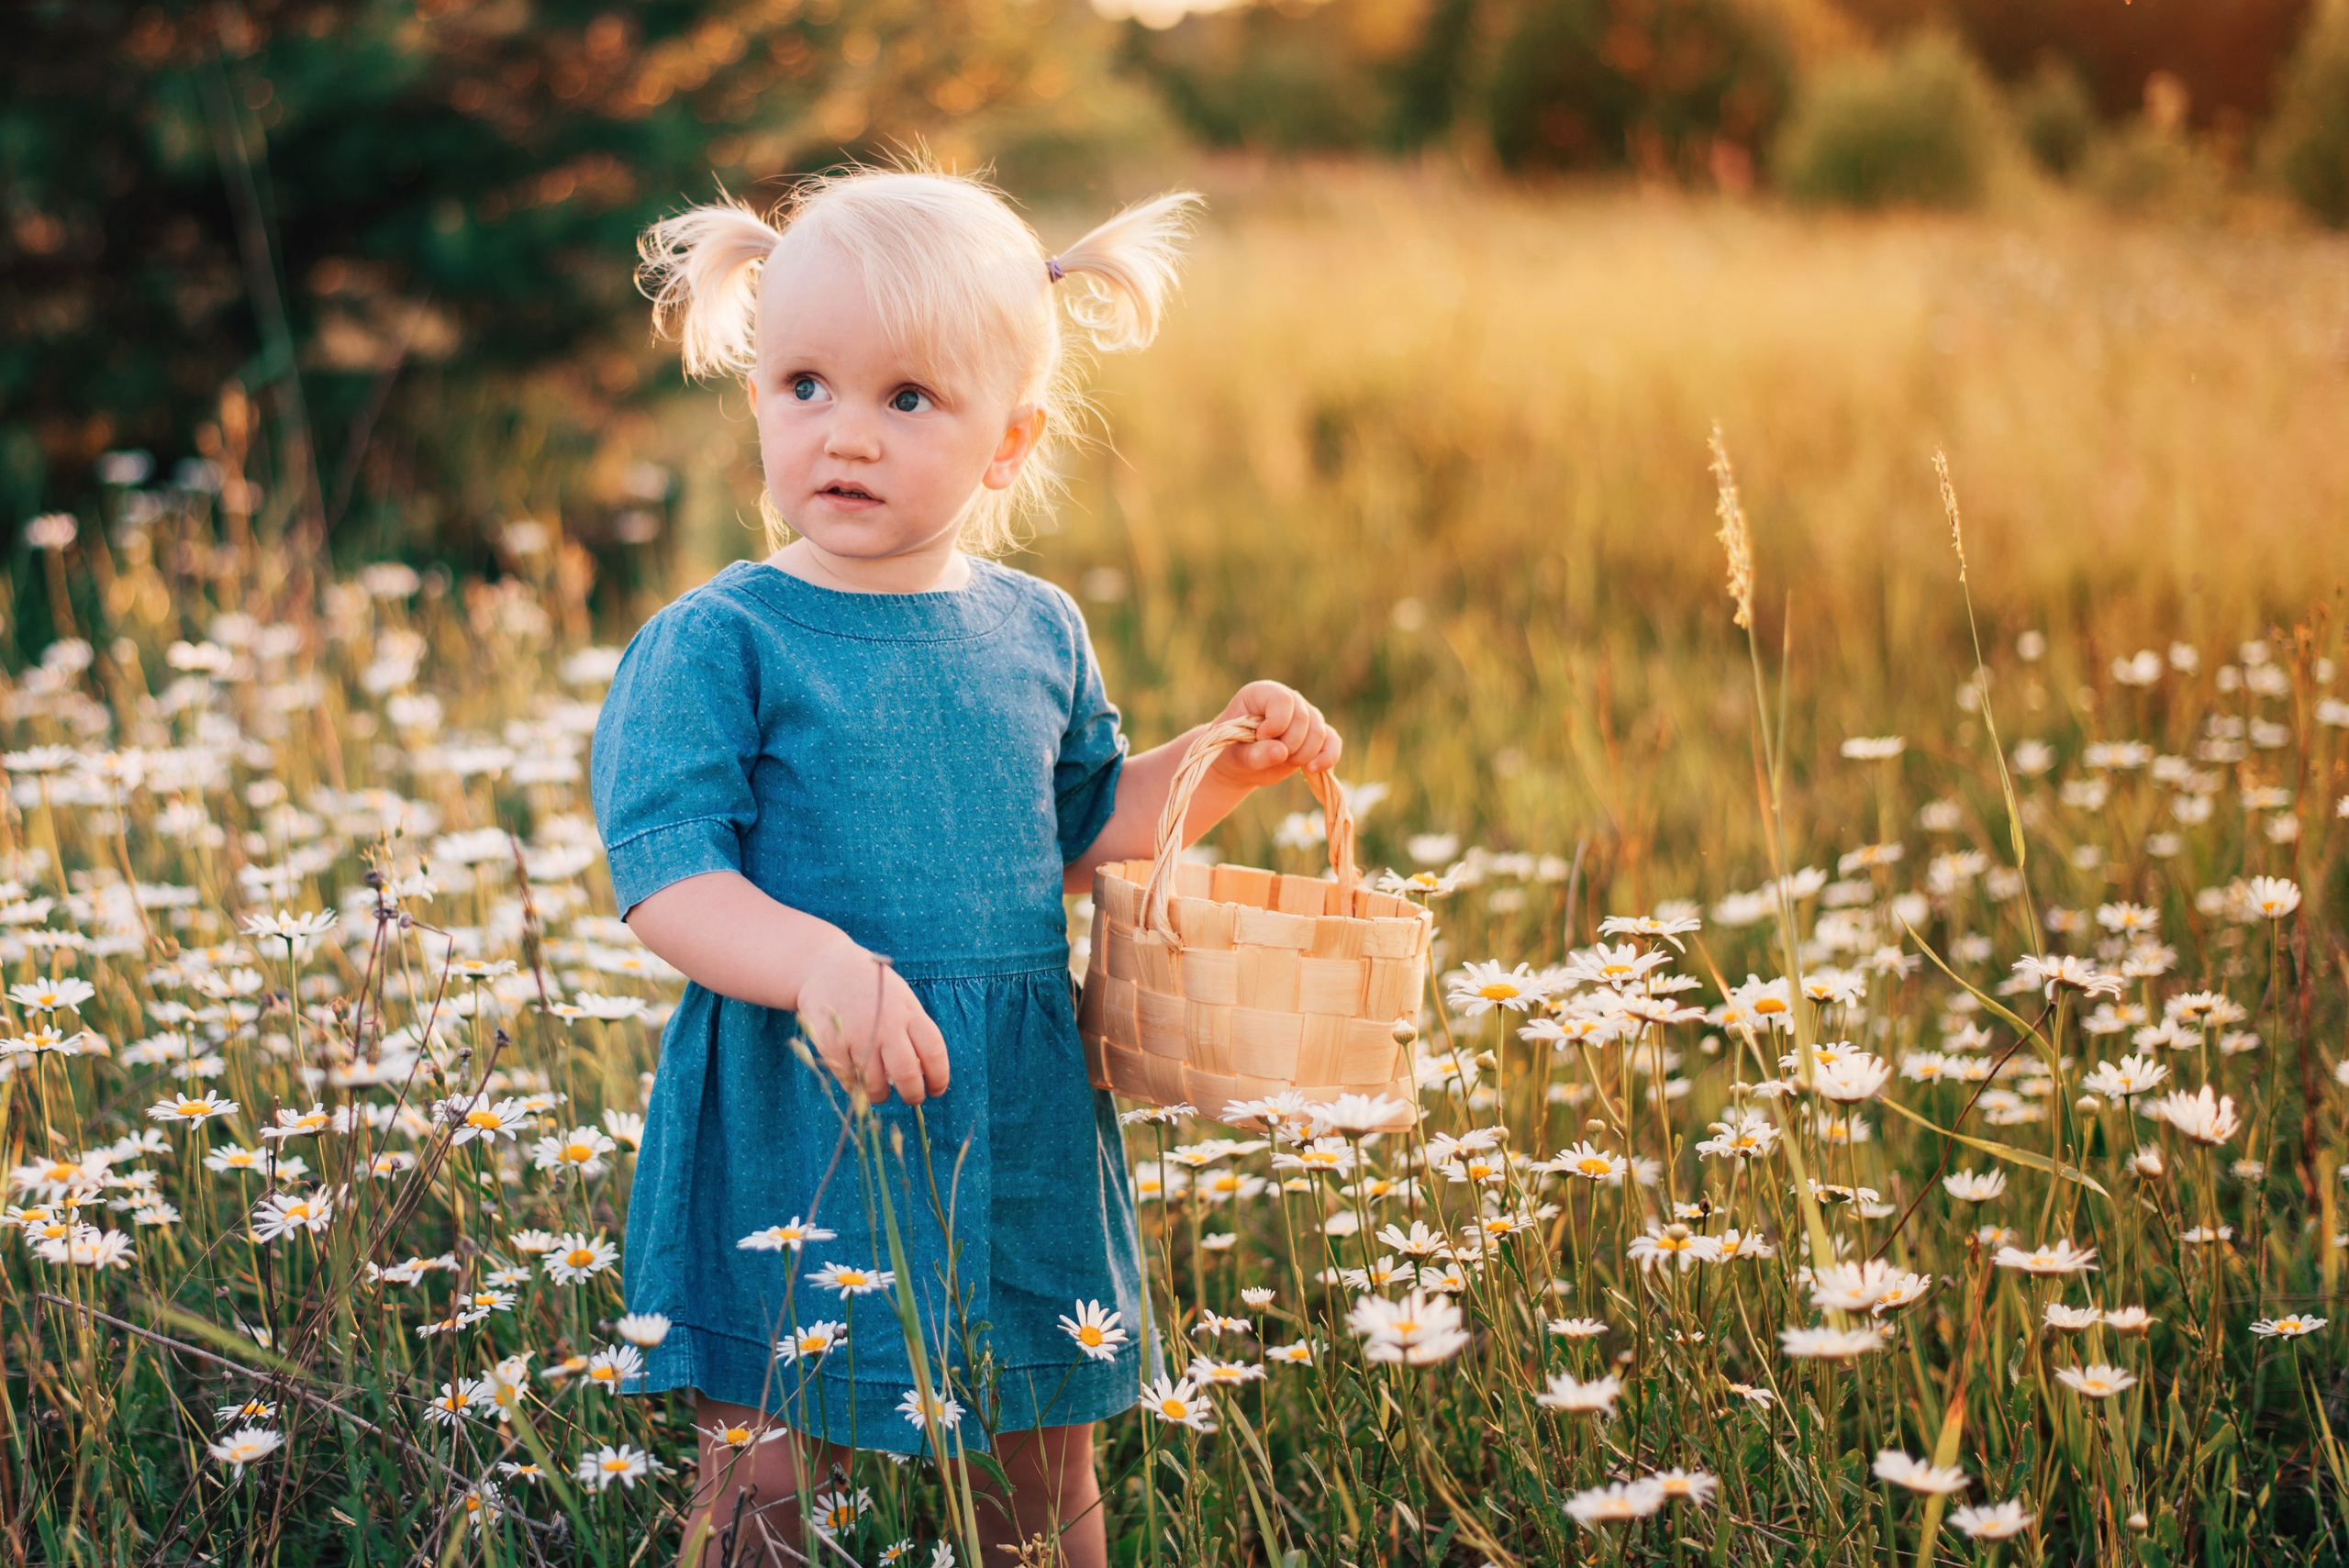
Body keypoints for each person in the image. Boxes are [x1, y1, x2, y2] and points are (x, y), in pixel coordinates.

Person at [591, 162, 1343, 1568]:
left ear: (1009, 441)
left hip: (1011, 1115)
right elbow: (668, 877)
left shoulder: (1036, 630)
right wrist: (817, 962)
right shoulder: (720, 641)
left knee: (1041, 1476)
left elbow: (1075, 824)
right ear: (753, 392)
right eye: (802, 383)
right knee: (763, 1483)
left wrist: (1220, 766)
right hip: (795, 1103)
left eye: (908, 399)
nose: (845, 435)